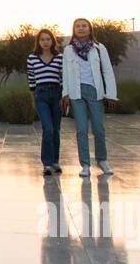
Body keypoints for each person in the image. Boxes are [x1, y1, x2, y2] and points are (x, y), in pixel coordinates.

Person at [60, 18, 117, 177]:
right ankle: (85, 164)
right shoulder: (68, 50)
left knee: (98, 128)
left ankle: (102, 160)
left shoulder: (99, 48)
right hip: (76, 94)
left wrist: (111, 94)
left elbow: (107, 71)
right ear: (73, 30)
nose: (81, 28)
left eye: (84, 26)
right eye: (77, 26)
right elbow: (65, 74)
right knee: (81, 130)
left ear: (90, 29)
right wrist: (65, 94)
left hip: (95, 93)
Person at [26, 28, 63, 175]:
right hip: (40, 95)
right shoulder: (32, 58)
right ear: (38, 42)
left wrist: (64, 98)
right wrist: (33, 99)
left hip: (57, 94)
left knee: (56, 131)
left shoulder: (60, 57)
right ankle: (46, 164)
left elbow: (64, 78)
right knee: (47, 129)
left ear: (52, 41)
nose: (45, 42)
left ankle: (55, 161)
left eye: (48, 39)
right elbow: (31, 79)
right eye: (42, 39)